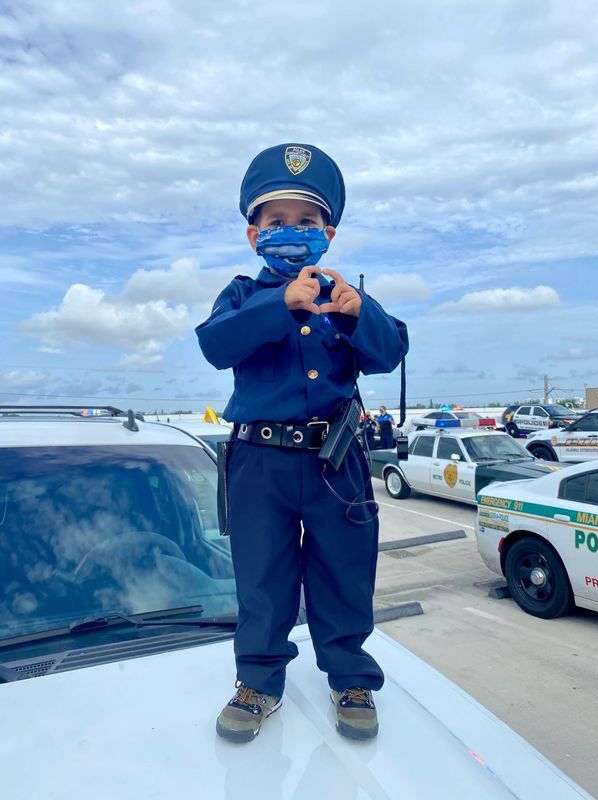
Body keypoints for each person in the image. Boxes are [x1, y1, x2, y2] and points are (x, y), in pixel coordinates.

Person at [195, 142, 408, 744]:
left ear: (330, 232)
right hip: (260, 461)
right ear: (252, 234)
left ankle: (350, 677)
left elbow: (390, 351)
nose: (291, 232)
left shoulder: (347, 299)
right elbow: (216, 345)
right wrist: (278, 304)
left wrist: (354, 312)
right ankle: (259, 682)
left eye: (306, 222)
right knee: (262, 577)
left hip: (336, 462)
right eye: (276, 222)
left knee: (344, 570)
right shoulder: (241, 294)